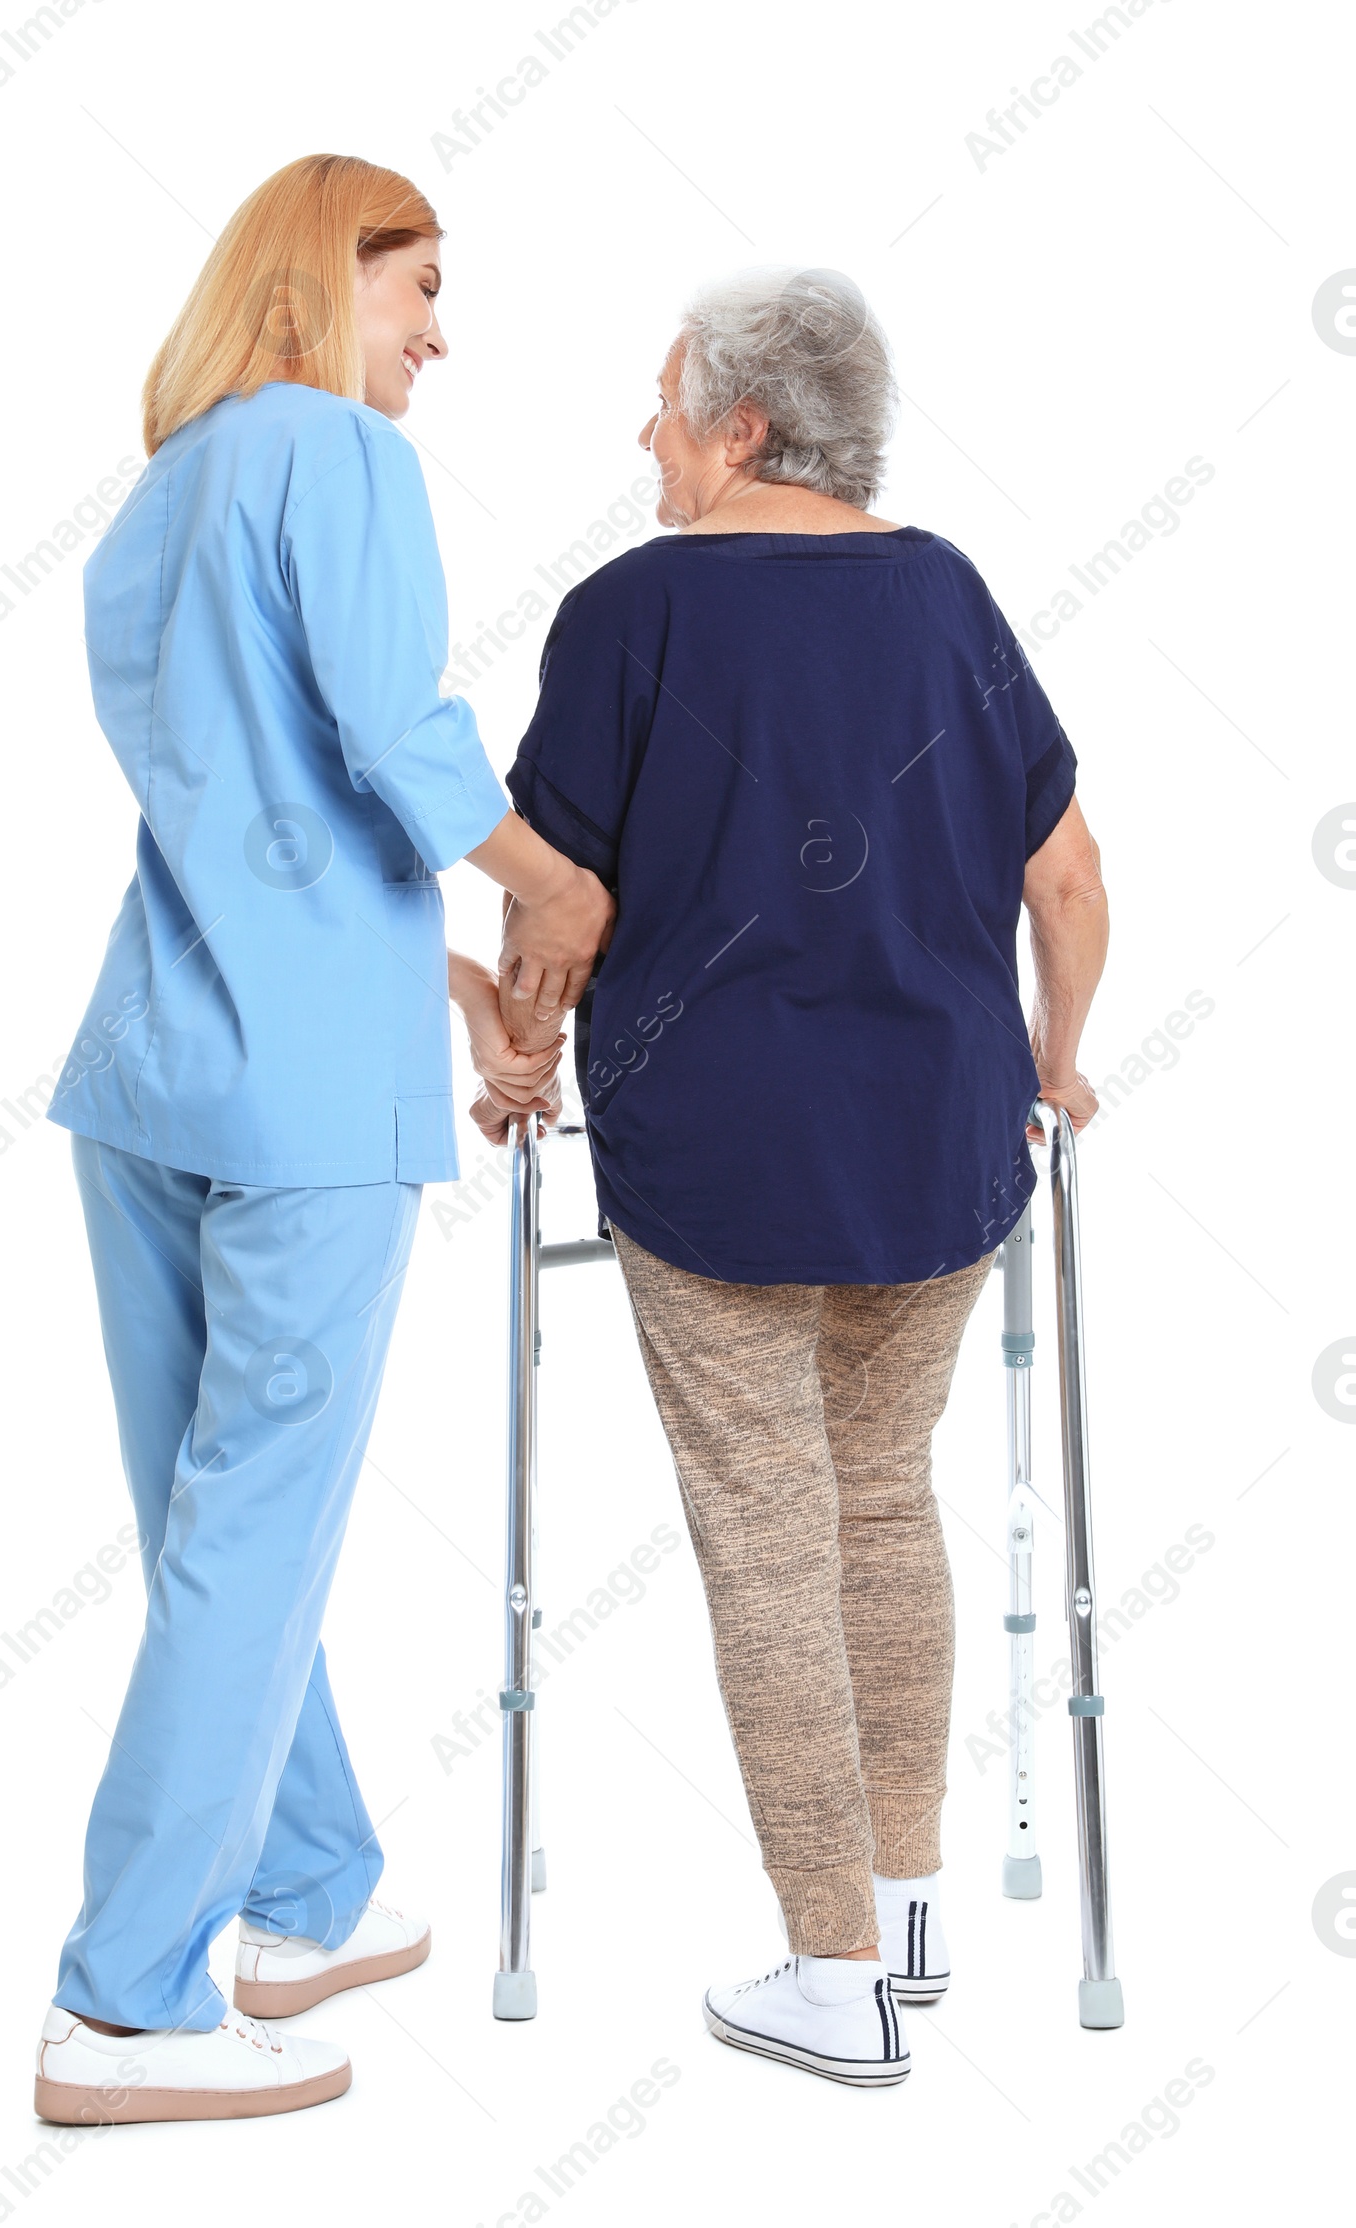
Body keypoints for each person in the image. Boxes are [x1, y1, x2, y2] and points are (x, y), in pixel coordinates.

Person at [33, 154, 611, 2127]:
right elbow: (389, 730)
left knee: (216, 1539)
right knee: (251, 1536)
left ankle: (306, 1889)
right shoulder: (338, 459)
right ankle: (117, 2007)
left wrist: (442, 972)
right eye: (416, 286)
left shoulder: (164, 490)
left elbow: (252, 793)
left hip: (151, 1070)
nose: (437, 334)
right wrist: (550, 888)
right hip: (298, 1106)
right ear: (319, 271)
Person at [487, 268, 1108, 2088]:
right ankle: (905, 1915)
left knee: (771, 1522)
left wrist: (515, 1052)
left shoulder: (629, 612)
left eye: (665, 401)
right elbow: (1067, 881)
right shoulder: (947, 595)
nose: (646, 436)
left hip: (722, 1153)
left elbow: (559, 901)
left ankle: (831, 1977)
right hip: (943, 1144)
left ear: (743, 426)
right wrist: (1059, 1062)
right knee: (882, 1501)